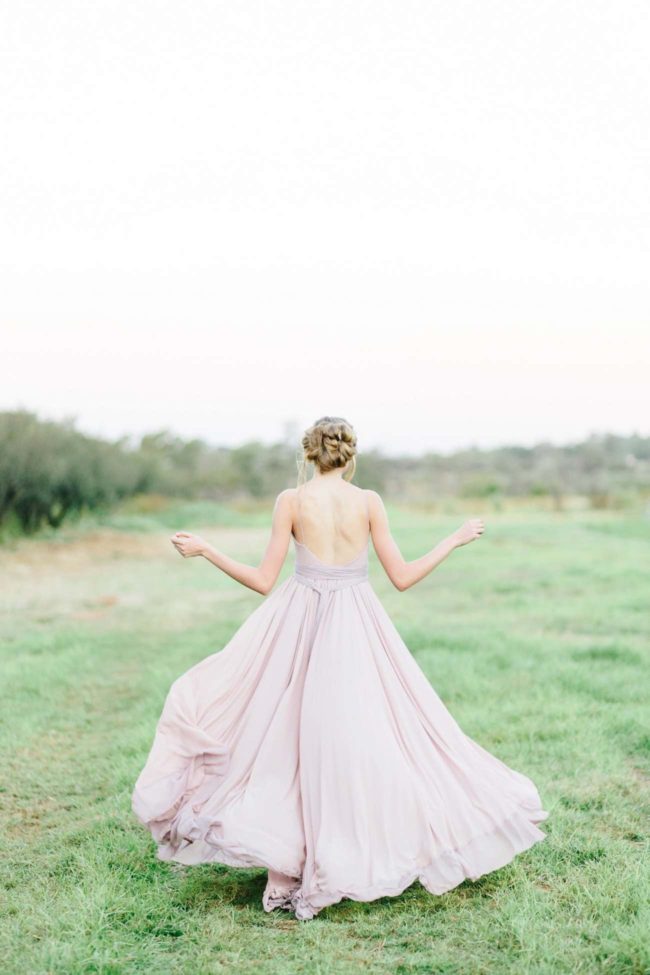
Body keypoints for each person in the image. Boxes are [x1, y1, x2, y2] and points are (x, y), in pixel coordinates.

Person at [131, 415, 547, 921]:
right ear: (350, 455)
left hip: (298, 617)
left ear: (310, 454)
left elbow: (264, 580)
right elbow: (403, 576)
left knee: (285, 740)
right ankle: (343, 848)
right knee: (362, 736)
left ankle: (286, 867)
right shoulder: (368, 501)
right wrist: (453, 539)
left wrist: (206, 550)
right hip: (355, 622)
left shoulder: (291, 500)